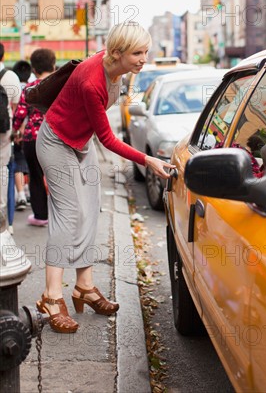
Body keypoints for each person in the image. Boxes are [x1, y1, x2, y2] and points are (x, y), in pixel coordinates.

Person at [35, 23, 176, 333]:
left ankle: (84, 286)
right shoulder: (91, 82)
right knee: (68, 214)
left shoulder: (117, 69)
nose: (143, 59)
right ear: (117, 53)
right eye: (137, 53)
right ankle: (51, 296)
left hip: (78, 143)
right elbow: (108, 139)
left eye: (146, 52)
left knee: (89, 210)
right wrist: (147, 159)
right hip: (55, 142)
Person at [12, 49, 56, 227]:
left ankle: (41, 215)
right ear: (53, 66)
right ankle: (61, 215)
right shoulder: (60, 86)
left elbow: (20, 113)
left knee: (36, 178)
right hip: (56, 138)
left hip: (33, 138)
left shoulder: (30, 88)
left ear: (34, 70)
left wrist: (15, 131)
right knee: (58, 177)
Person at [0, 43, 21, 234]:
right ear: (3, 56)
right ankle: (3, 224)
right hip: (3, 132)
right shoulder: (11, 76)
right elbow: (15, 106)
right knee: (3, 171)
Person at [12, 59, 32, 211]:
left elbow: (18, 112)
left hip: (18, 131)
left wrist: (16, 130)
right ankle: (29, 192)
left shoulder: (14, 88)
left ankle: (20, 195)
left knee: (18, 162)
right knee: (32, 163)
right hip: (33, 133)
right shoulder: (33, 87)